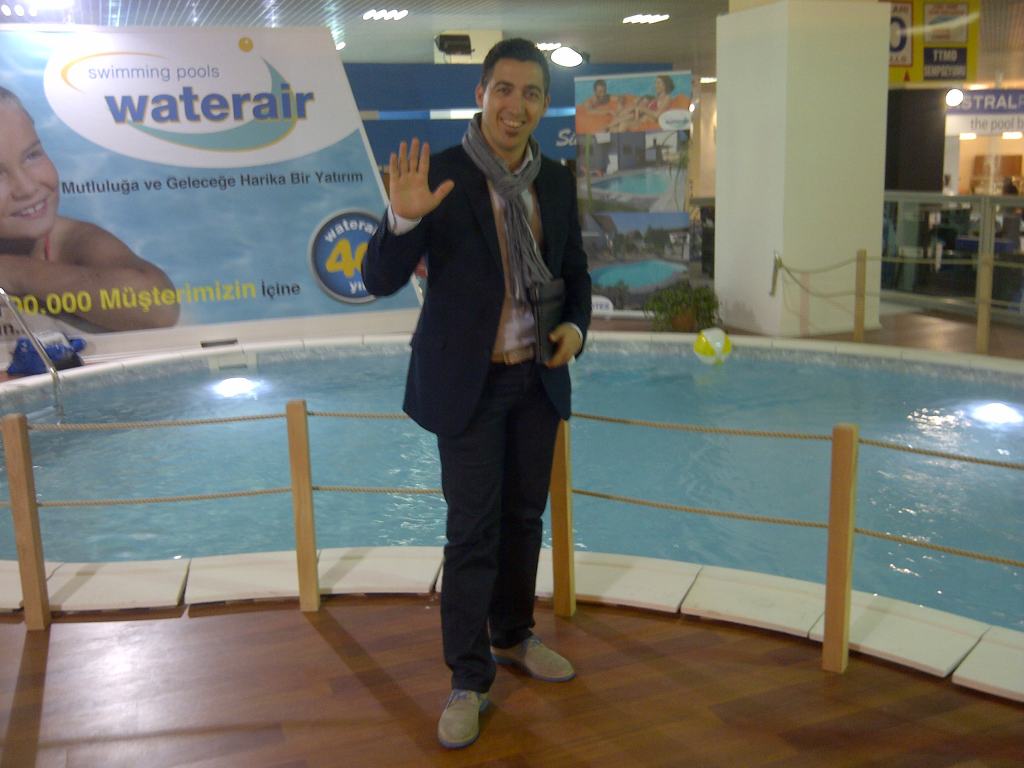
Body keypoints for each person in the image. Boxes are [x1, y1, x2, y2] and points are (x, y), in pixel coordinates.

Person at [362, 38, 591, 750]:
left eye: (532, 93)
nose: (516, 106)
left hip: (536, 378)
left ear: (543, 104)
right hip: (470, 384)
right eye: (504, 89)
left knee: (524, 519)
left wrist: (576, 328)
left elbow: (575, 270)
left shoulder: (555, 181)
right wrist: (402, 220)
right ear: (482, 95)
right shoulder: (441, 175)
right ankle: (468, 677)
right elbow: (378, 279)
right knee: (472, 531)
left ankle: (513, 634)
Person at [0, 87, 178, 331]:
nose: (27, 188)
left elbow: (159, 307)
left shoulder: (69, 240)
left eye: (32, 155)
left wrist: (12, 271)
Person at [606, 74, 676, 132]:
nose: (656, 85)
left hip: (646, 121)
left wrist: (642, 108)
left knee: (623, 124)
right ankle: (609, 126)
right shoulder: (657, 97)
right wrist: (640, 103)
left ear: (665, 85)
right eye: (655, 83)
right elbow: (646, 105)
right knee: (615, 127)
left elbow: (656, 115)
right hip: (640, 117)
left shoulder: (667, 97)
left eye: (658, 83)